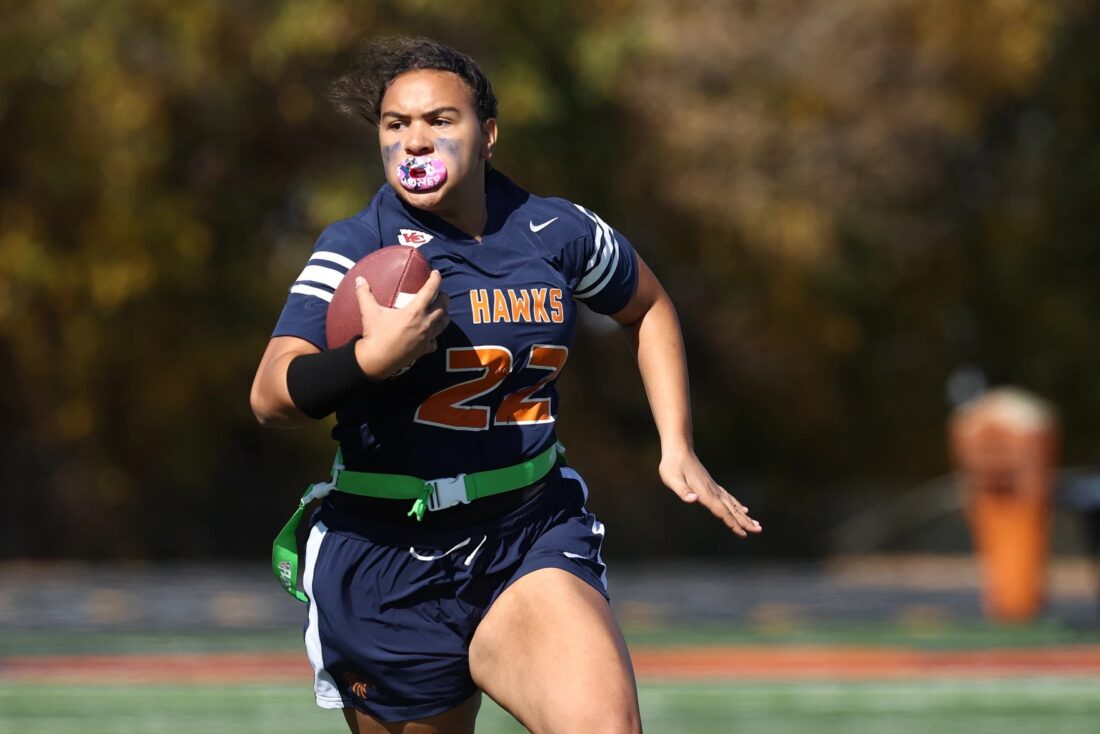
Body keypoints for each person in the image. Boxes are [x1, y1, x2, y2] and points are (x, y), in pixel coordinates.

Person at [251, 36, 762, 734]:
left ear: (487, 134)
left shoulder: (555, 230)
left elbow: (647, 306)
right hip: (387, 556)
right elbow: (270, 394)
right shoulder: (357, 245)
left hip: (526, 530)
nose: (415, 141)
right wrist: (372, 359)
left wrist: (677, 443)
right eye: (395, 125)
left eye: (440, 120)